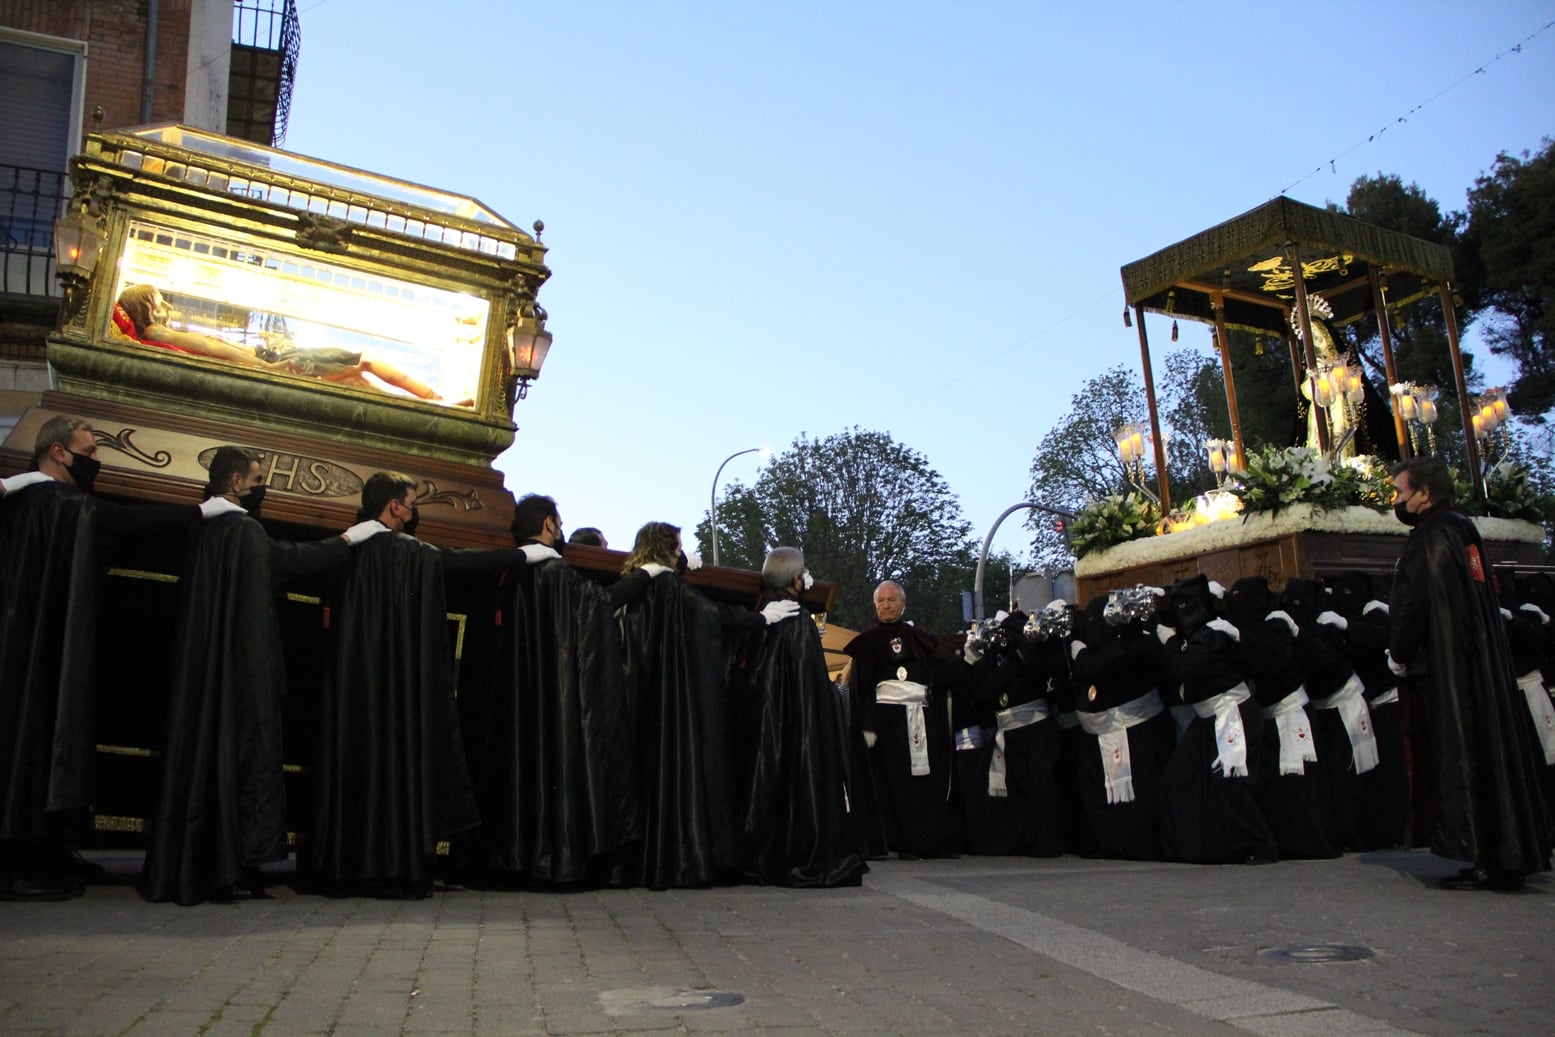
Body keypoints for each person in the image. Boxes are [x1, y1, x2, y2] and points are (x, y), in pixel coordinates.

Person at [0, 416, 243, 901]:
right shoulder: (52, 500)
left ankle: (46, 848)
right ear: (58, 454)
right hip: (35, 650)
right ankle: (14, 862)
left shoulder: (42, 500)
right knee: (31, 742)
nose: (97, 460)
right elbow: (121, 521)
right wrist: (200, 512)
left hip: (39, 644)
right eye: (89, 451)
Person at [141, 447, 389, 905]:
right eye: (257, 478)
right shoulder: (243, 530)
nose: (262, 486)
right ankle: (229, 865)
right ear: (235, 482)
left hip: (205, 672)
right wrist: (349, 541)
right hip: (242, 672)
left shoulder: (206, 530)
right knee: (243, 757)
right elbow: (289, 560)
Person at [305, 472, 512, 898]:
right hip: (400, 698)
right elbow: (458, 562)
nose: (414, 511)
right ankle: (394, 862)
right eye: (412, 502)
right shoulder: (414, 555)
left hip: (351, 692)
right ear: (395, 507)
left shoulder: (350, 545)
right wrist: (520, 556)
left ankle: (344, 864)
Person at [456, 494, 641, 885]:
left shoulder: (503, 572)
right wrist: (645, 576)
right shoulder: (559, 576)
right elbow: (600, 605)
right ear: (549, 526)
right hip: (553, 711)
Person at [1388, 454, 1551, 891]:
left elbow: (1415, 602)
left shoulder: (1432, 537)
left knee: (1463, 751)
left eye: (1401, 493)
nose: (1396, 500)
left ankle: (1480, 849)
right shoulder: (1461, 529)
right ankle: (1500, 851)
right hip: (1475, 662)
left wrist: (1398, 650)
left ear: (1424, 495)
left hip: (1449, 667)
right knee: (1489, 747)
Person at [611, 521, 798, 888]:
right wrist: (759, 617)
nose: (682, 552)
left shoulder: (639, 586)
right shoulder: (667, 585)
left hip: (639, 698)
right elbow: (710, 615)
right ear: (667, 548)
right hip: (675, 706)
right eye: (678, 547)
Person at [727, 547, 864, 886]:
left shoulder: (762, 612)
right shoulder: (796, 619)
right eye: (802, 572)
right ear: (795, 578)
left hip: (761, 724)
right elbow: (809, 685)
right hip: (793, 727)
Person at [116, 285, 445, 401]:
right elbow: (214, 350)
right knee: (363, 365)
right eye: (159, 302)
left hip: (269, 360)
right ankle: (428, 400)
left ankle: (427, 402)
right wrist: (265, 366)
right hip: (273, 363)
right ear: (146, 309)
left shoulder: (158, 336)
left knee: (358, 376)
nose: (168, 308)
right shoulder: (158, 334)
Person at [844, 581, 960, 859]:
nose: (886, 605)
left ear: (903, 603)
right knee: (889, 782)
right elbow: (862, 689)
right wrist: (867, 724)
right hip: (886, 726)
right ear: (875, 606)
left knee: (923, 781)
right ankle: (893, 841)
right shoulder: (867, 643)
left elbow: (939, 676)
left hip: (922, 720)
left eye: (892, 600)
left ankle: (927, 840)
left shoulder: (919, 638)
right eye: (881, 601)